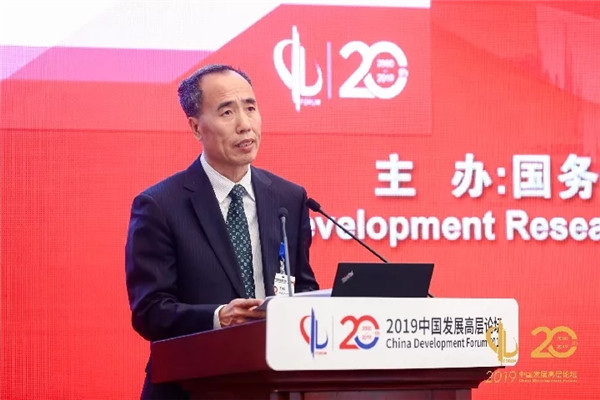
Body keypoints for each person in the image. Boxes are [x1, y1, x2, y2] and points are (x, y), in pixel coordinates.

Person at [125, 64, 319, 399]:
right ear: (196, 128)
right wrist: (219, 317)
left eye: (250, 108)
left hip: (275, 384)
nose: (245, 124)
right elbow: (150, 312)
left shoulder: (289, 198)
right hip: (192, 386)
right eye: (227, 112)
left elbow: (302, 287)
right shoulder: (159, 205)